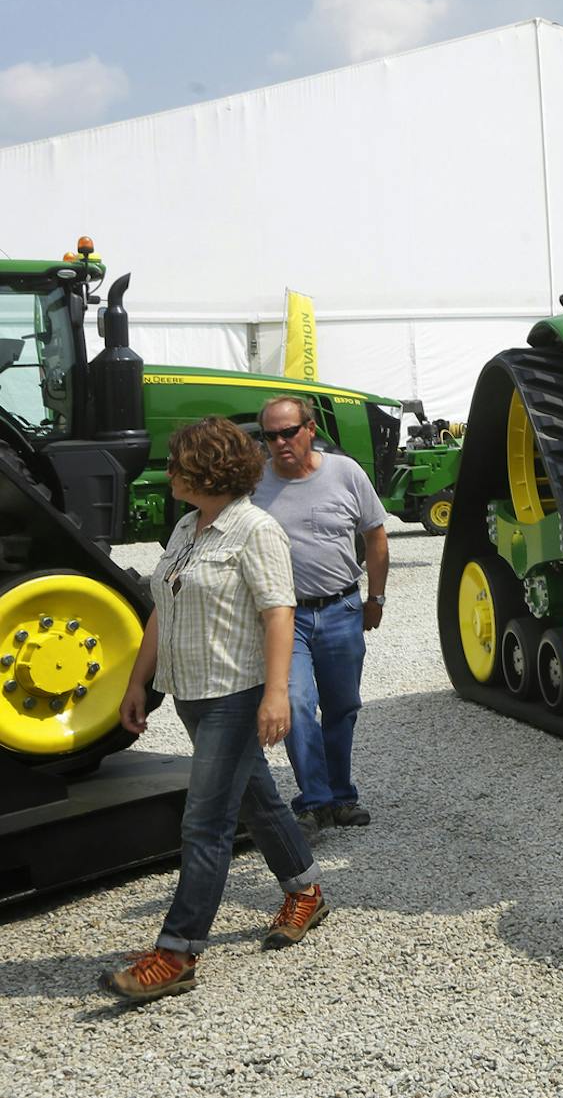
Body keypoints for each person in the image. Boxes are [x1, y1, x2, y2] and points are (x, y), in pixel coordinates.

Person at [102, 417, 328, 1003]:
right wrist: (138, 682)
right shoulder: (187, 525)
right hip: (191, 693)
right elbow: (162, 603)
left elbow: (280, 611)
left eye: (177, 463)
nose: (168, 472)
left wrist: (277, 693)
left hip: (234, 694)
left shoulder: (255, 530)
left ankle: (178, 952)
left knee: (205, 823)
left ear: (207, 471)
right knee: (256, 796)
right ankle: (307, 889)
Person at [253, 394, 388, 831]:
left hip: (342, 607)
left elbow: (376, 536)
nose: (279, 442)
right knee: (294, 701)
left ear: (310, 429)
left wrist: (376, 599)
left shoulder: (345, 473)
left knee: (342, 706)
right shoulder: (255, 484)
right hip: (284, 617)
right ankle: (314, 800)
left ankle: (340, 796)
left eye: (288, 432)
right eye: (270, 435)